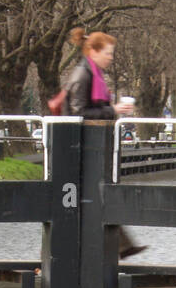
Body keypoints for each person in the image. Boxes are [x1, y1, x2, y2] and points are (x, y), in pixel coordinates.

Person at [63, 27, 146, 258]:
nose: (111, 58)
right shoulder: (83, 75)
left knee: (96, 197)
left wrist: (112, 110)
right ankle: (119, 247)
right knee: (93, 197)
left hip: (92, 148)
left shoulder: (92, 74)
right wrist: (113, 110)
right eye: (108, 53)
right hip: (80, 148)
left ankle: (120, 246)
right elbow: (79, 113)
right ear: (94, 51)